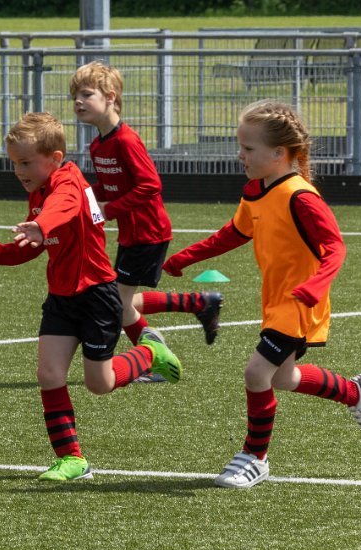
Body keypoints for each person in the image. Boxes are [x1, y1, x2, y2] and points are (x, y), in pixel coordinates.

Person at [162, 100, 361, 489]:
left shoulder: (300, 196)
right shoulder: (257, 192)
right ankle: (355, 392)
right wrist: (185, 257)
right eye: (241, 146)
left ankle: (255, 457)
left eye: (248, 148)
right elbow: (233, 233)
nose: (240, 155)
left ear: (279, 153)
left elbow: (335, 248)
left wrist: (315, 286)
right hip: (277, 299)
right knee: (284, 377)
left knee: (256, 373)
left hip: (298, 303)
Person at [0, 111, 183, 482]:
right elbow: (32, 246)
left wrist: (40, 224)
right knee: (48, 374)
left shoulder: (69, 183)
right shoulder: (39, 192)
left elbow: (62, 207)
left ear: (56, 158)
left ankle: (149, 354)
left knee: (100, 384)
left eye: (26, 162)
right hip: (62, 298)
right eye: (14, 163)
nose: (18, 171)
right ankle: (72, 460)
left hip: (97, 295)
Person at [70, 61, 223, 370]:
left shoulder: (126, 140)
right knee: (120, 298)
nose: (78, 102)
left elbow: (150, 185)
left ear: (110, 97)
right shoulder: (98, 145)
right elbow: (111, 186)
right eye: (75, 96)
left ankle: (156, 360)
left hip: (149, 234)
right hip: (133, 235)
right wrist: (79, 197)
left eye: (86, 94)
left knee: (117, 302)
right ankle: (199, 303)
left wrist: (109, 210)